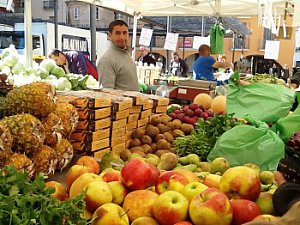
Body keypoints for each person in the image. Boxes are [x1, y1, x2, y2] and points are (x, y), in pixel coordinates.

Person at [97, 20, 139, 91]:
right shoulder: (107, 60)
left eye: (124, 33)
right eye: (118, 33)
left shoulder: (126, 54)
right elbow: (107, 93)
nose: (122, 37)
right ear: (109, 35)